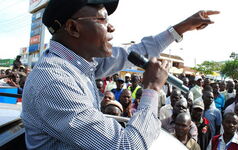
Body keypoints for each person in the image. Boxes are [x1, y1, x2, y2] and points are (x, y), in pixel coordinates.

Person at [21, 0, 219, 149]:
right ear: (73, 28)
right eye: (102, 19)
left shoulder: (79, 65)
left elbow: (134, 52)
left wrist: (181, 27)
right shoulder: (54, 83)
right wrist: (151, 88)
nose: (111, 26)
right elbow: (127, 145)